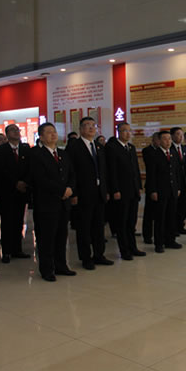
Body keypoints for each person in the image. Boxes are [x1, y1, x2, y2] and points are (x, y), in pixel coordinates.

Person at [30, 123, 76, 281]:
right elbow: (40, 179)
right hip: (47, 203)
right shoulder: (37, 155)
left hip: (63, 203)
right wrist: (61, 190)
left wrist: (70, 188)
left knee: (61, 236)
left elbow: (71, 174)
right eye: (49, 132)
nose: (53, 134)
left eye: (54, 131)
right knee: (47, 238)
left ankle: (61, 265)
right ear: (41, 137)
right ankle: (47, 269)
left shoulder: (63, 154)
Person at [66, 116, 113, 270]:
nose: (91, 128)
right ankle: (86, 258)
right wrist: (74, 193)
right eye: (87, 125)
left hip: (99, 193)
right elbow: (71, 172)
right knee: (84, 228)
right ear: (80, 129)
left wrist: (106, 190)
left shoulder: (99, 147)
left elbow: (104, 171)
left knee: (99, 226)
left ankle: (99, 255)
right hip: (83, 193)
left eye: (93, 125)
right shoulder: (74, 147)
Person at [0, 124, 31, 263]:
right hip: (7, 192)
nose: (16, 132)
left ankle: (17, 249)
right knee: (7, 222)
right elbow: (1, 171)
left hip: (22, 191)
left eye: (17, 130)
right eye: (12, 130)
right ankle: (6, 251)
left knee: (19, 221)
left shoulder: (25, 149)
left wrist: (24, 182)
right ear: (7, 134)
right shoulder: (1, 151)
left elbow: (30, 167)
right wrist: (15, 182)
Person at [105, 123, 145, 260]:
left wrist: (138, 186)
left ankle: (133, 247)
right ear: (118, 132)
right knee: (122, 221)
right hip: (121, 191)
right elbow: (112, 171)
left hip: (133, 190)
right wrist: (115, 189)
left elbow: (135, 169)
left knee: (132, 221)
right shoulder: (112, 147)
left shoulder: (131, 148)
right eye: (124, 131)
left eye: (129, 131)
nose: (128, 133)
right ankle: (124, 250)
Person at [145, 131, 182, 253]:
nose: (168, 141)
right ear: (159, 141)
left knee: (171, 216)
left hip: (172, 190)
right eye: (165, 139)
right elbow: (151, 175)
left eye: (169, 139)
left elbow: (177, 172)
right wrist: (153, 190)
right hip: (160, 191)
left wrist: (178, 188)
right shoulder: (154, 154)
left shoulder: (173, 153)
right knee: (160, 218)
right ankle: (159, 243)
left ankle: (170, 240)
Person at [170, 127, 186, 235]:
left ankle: (181, 225)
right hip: (175, 183)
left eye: (182, 134)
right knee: (174, 207)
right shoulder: (170, 148)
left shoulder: (185, 148)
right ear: (172, 136)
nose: (181, 137)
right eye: (178, 134)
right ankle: (173, 228)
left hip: (185, 182)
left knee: (183, 205)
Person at [141, 132, 160, 244]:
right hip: (151, 186)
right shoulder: (147, 151)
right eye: (159, 140)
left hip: (162, 187)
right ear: (154, 140)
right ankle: (147, 235)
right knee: (149, 212)